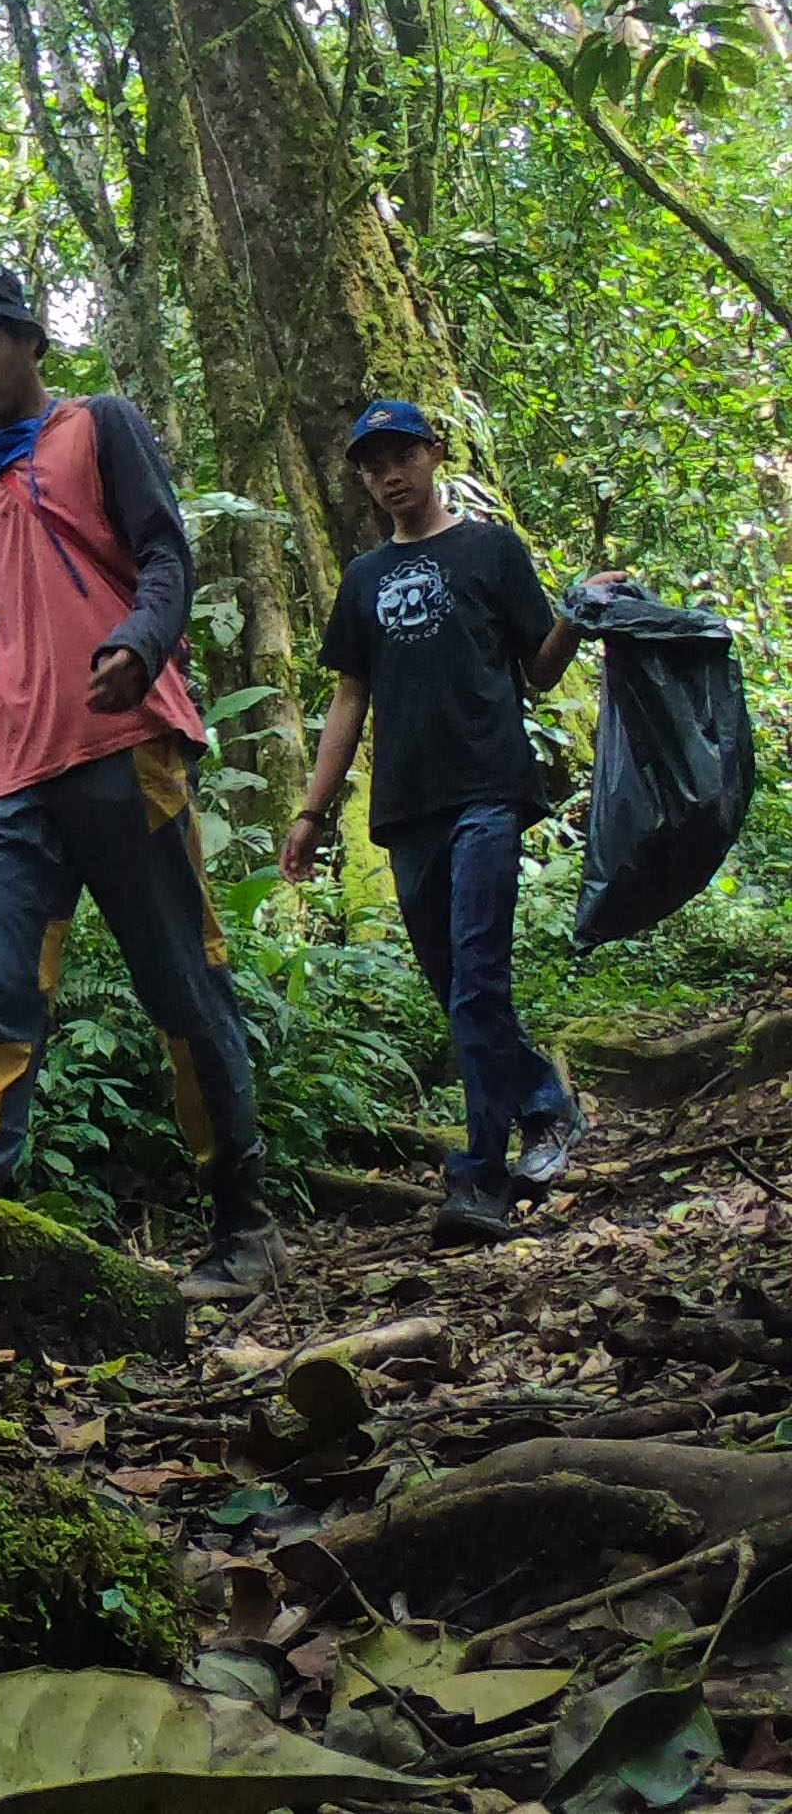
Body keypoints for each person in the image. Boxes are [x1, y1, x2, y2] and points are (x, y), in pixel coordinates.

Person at [0, 259, 283, 1307]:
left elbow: (164, 552)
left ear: (28, 341)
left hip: (125, 752)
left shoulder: (99, 425)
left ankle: (242, 1223)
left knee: (181, 984)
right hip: (12, 778)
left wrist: (138, 639)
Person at [282, 399, 614, 1247]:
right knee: (455, 990)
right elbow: (349, 699)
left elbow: (539, 669)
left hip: (488, 791)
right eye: (371, 464)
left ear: (434, 454)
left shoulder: (490, 548)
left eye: (401, 457)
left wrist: (576, 608)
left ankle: (478, 1179)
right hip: (404, 807)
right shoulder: (362, 580)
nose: (387, 475)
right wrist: (314, 813)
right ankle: (546, 1104)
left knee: (475, 977)